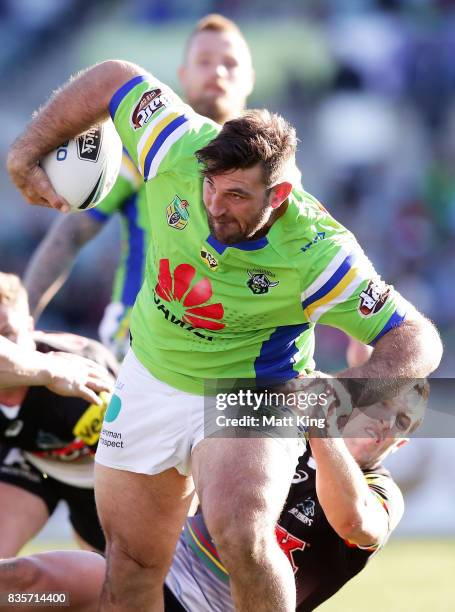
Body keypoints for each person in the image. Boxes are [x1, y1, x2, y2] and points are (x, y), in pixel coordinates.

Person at [7, 58, 442, 611]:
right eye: (211, 186)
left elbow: (416, 339)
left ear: (278, 196)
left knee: (241, 533)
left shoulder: (319, 250)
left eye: (237, 195)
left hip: (248, 391)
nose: (215, 205)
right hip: (151, 376)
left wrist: (342, 396)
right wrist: (24, 152)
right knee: (132, 563)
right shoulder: (177, 142)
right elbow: (113, 78)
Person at [0, 380, 428, 611]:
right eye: (381, 405)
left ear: (403, 443)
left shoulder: (381, 491)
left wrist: (322, 429)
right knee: (27, 586)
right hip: (156, 578)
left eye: (402, 421)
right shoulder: (284, 430)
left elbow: (355, 521)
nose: (385, 423)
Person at [23, 14, 254, 360]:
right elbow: (70, 234)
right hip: (136, 344)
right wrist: (19, 322)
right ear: (184, 76)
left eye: (230, 63)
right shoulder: (144, 148)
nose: (218, 71)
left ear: (250, 79)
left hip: (225, 351)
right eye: (204, 62)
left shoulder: (270, 167)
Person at [0, 272, 116, 555]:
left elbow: (138, 461)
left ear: (30, 328)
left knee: (117, 577)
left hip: (99, 473)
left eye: (5, 335)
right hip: (32, 462)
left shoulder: (81, 380)